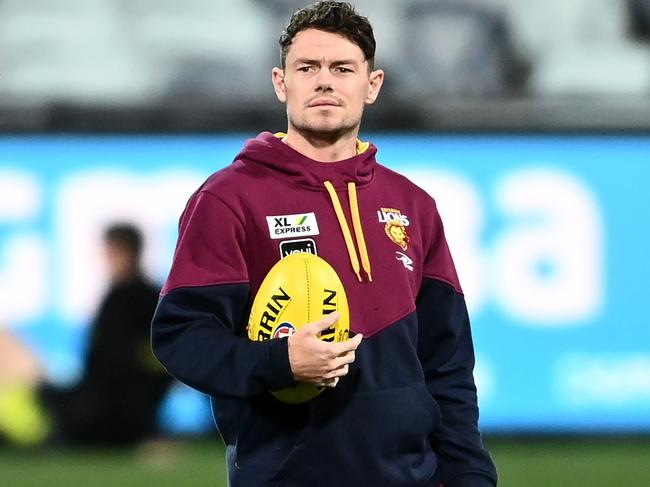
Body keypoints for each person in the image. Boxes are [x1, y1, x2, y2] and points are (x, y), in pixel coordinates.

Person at [151, 2, 497, 486]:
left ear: (371, 85)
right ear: (281, 82)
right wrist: (279, 362)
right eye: (307, 67)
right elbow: (180, 335)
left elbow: (448, 365)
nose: (324, 81)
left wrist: (472, 476)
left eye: (342, 68)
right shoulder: (229, 198)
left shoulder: (414, 206)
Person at [0, 223, 172, 446]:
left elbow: (110, 366)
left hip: (99, 415)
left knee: (25, 376)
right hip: (123, 412)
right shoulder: (155, 298)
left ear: (121, 252)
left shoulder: (122, 300)